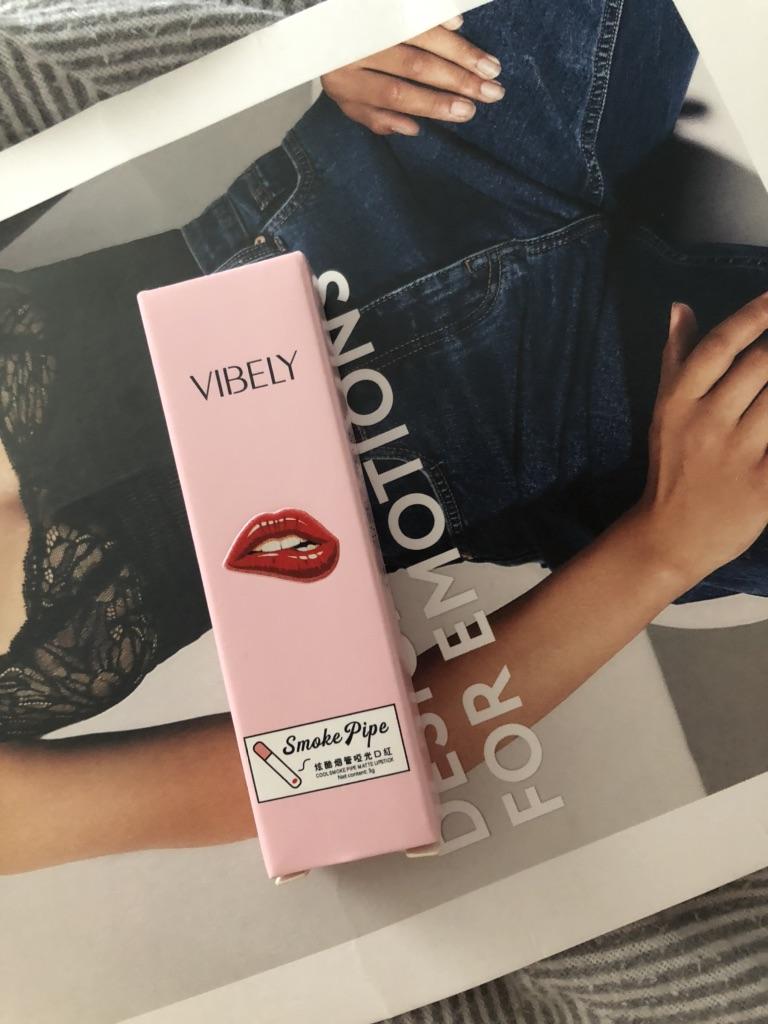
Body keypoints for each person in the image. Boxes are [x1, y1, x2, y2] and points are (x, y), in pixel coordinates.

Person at [2, 0, 768, 872]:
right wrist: (665, 548)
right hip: (569, 460)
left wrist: (290, 41)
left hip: (409, 157)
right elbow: (345, 779)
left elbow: (47, 65)